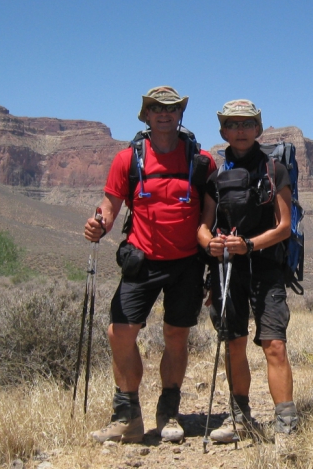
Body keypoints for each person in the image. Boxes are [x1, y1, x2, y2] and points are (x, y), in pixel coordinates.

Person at [84, 86, 216, 444]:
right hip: (141, 260)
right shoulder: (127, 159)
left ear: (180, 115)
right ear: (145, 115)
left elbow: (210, 212)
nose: (163, 113)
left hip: (187, 263)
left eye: (171, 108)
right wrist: (98, 224)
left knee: (176, 336)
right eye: (155, 108)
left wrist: (211, 262)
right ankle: (128, 417)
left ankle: (169, 411)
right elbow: (109, 208)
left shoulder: (202, 161)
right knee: (120, 333)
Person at [197, 99, 299, 455]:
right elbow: (203, 225)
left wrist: (249, 245)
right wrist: (211, 244)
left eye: (247, 124)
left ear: (258, 129)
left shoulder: (275, 170)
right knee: (234, 342)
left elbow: (284, 227)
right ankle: (240, 417)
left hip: (266, 269)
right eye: (232, 125)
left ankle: (286, 424)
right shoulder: (215, 176)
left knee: (274, 344)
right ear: (223, 131)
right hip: (228, 270)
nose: (240, 131)